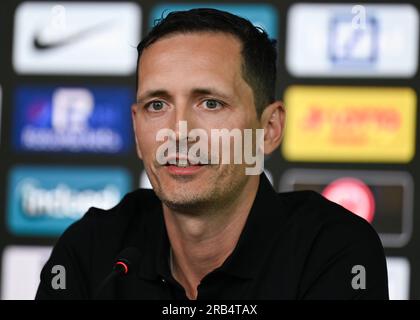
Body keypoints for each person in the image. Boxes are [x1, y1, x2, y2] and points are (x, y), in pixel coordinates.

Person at [36, 8, 388, 300]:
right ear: (136, 130)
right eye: (157, 105)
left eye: (210, 103)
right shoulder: (91, 250)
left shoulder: (332, 251)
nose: (179, 132)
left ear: (269, 129)